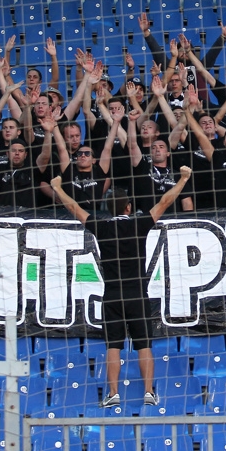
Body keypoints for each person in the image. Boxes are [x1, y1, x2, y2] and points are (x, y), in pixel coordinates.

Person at [51, 165, 192, 408]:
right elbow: (166, 201)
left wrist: (56, 187)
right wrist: (183, 179)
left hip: (112, 296)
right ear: (129, 207)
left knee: (113, 346)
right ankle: (149, 392)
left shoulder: (102, 227)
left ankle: (113, 393)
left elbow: (74, 208)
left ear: (107, 208)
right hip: (137, 294)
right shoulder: (138, 223)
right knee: (144, 344)